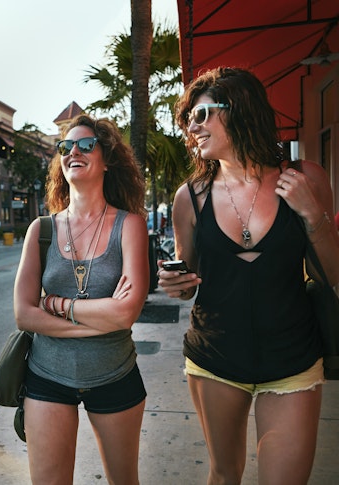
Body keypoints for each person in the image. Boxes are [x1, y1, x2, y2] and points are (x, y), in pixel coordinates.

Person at [158, 67, 339, 484]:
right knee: (224, 475)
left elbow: (330, 273)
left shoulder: (305, 177)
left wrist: (313, 215)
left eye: (201, 115)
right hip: (215, 358)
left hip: (292, 358)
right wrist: (177, 285)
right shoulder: (190, 198)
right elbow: (191, 281)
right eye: (188, 119)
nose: (191, 127)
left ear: (237, 109)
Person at [13, 114, 150, 484]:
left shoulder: (131, 225)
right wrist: (96, 322)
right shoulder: (40, 230)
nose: (74, 150)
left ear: (106, 159)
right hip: (46, 378)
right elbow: (24, 314)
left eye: (86, 144)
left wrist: (58, 306)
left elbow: (126, 313)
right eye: (65, 147)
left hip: (115, 374)